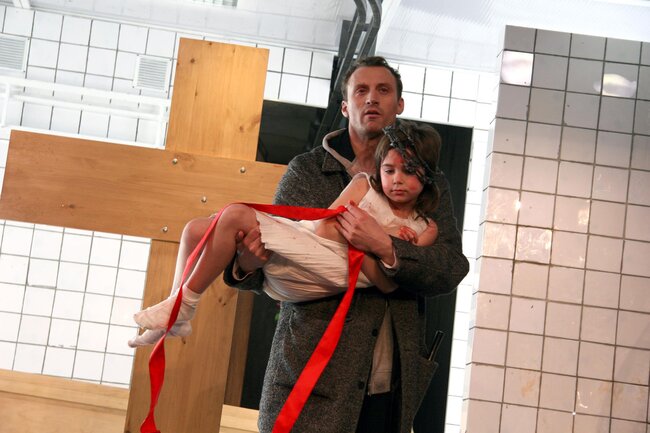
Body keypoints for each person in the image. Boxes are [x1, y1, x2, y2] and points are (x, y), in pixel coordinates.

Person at [225, 56, 469, 433]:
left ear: (399, 105)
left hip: (388, 383)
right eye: (361, 90)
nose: (372, 98)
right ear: (344, 106)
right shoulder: (308, 171)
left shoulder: (426, 180)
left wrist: (386, 247)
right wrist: (245, 265)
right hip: (308, 374)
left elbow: (450, 267)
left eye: (383, 90)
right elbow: (272, 262)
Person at [129, 121, 441, 346]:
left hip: (336, 269)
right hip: (313, 241)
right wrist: (379, 240)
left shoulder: (425, 227)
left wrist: (373, 240)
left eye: (409, 171)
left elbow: (390, 283)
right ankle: (177, 306)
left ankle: (185, 304)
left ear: (427, 176)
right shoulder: (363, 185)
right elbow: (324, 228)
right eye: (389, 170)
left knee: (235, 214)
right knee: (196, 229)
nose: (397, 180)